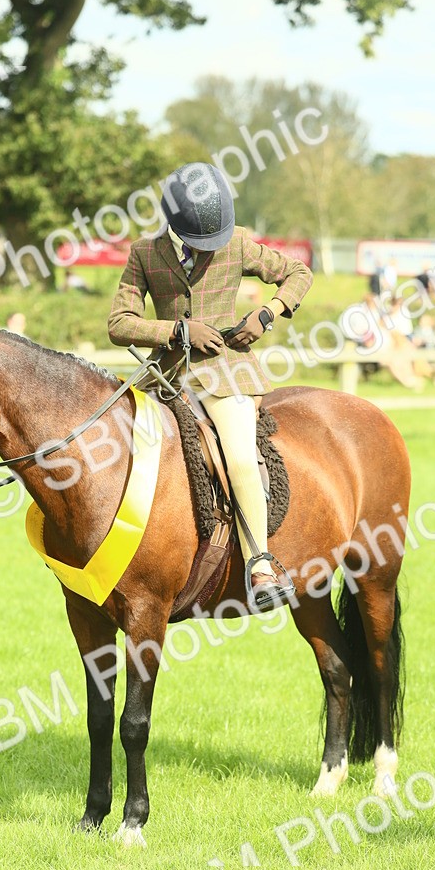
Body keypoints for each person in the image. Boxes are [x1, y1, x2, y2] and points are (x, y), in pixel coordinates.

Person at [108, 161, 313, 611]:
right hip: (165, 376)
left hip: (227, 372)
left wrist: (268, 314)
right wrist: (177, 331)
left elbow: (299, 273)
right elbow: (119, 323)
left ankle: (260, 563)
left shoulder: (236, 242)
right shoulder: (144, 253)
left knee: (238, 455)